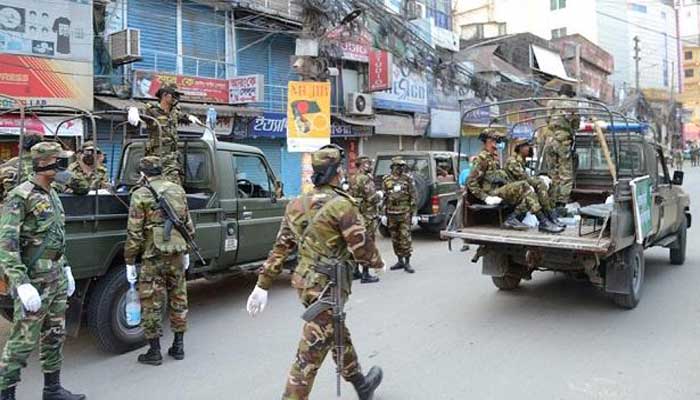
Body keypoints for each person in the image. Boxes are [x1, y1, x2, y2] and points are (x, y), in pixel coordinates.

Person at [245, 145, 384, 400]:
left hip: (305, 283)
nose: (342, 172)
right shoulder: (342, 206)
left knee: (335, 330)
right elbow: (362, 251)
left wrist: (262, 285)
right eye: (340, 168)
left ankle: (361, 384)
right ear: (334, 172)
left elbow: (281, 247)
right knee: (308, 356)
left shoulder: (296, 204)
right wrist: (378, 263)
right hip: (329, 288)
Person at [0, 142, 85, 400]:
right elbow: (6, 246)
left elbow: (56, 237)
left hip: (56, 276)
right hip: (34, 281)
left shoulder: (52, 193)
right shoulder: (20, 196)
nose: (64, 167)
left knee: (55, 335)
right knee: (22, 342)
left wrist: (66, 267)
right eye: (59, 162)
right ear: (45, 164)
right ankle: (6, 394)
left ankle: (52, 389)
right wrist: (21, 282)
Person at [123, 156, 195, 366]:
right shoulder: (178, 190)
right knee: (179, 298)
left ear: (143, 173)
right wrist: (187, 249)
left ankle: (154, 352)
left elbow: (134, 232)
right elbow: (187, 223)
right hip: (177, 252)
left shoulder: (140, 194)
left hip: (152, 256)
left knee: (151, 302)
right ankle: (179, 346)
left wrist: (129, 260)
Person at [467, 129, 564, 234]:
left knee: (529, 193)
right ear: (487, 141)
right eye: (494, 141)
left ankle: (528, 219)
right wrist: (485, 197)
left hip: (499, 189)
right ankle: (543, 222)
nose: (496, 145)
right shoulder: (482, 159)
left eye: (496, 142)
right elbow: (471, 182)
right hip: (492, 193)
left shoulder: (493, 158)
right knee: (524, 185)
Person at [143, 83, 200, 184]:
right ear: (165, 95)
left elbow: (182, 116)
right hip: (156, 158)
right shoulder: (151, 110)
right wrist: (131, 110)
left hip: (172, 160)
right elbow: (139, 115)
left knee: (175, 188)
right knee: (152, 188)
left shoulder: (174, 112)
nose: (176, 98)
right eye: (174, 95)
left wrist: (189, 117)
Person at [505, 139, 564, 227]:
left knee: (544, 185)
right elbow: (523, 177)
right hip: (514, 189)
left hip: (521, 187)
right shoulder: (512, 161)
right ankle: (545, 217)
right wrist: (538, 181)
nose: (528, 148)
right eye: (526, 146)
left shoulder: (521, 160)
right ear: (520, 148)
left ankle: (549, 214)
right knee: (536, 189)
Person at [544, 84, 579, 212]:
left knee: (553, 173)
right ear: (570, 94)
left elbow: (547, 120)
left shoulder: (550, 103)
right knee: (566, 174)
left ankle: (552, 199)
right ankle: (561, 203)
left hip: (549, 140)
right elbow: (576, 124)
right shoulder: (572, 104)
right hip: (563, 140)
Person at [348, 156, 381, 284]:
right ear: (362, 165)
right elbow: (372, 197)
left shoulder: (352, 177)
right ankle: (366, 274)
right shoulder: (365, 179)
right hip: (367, 215)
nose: (370, 166)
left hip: (356, 215)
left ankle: (356, 271)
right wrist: (379, 196)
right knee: (368, 244)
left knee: (356, 243)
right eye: (368, 163)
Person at [381, 157, 417, 273]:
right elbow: (384, 197)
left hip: (404, 213)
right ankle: (399, 260)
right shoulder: (386, 180)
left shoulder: (408, 179)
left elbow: (414, 197)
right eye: (398, 166)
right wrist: (383, 214)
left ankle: (407, 262)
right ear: (392, 167)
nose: (400, 168)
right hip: (391, 213)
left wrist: (414, 214)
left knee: (405, 238)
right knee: (395, 238)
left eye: (402, 166)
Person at [0, 133, 42, 202]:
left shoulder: (12, 163)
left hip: (13, 204)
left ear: (20, 146)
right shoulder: (46, 164)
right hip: (41, 205)